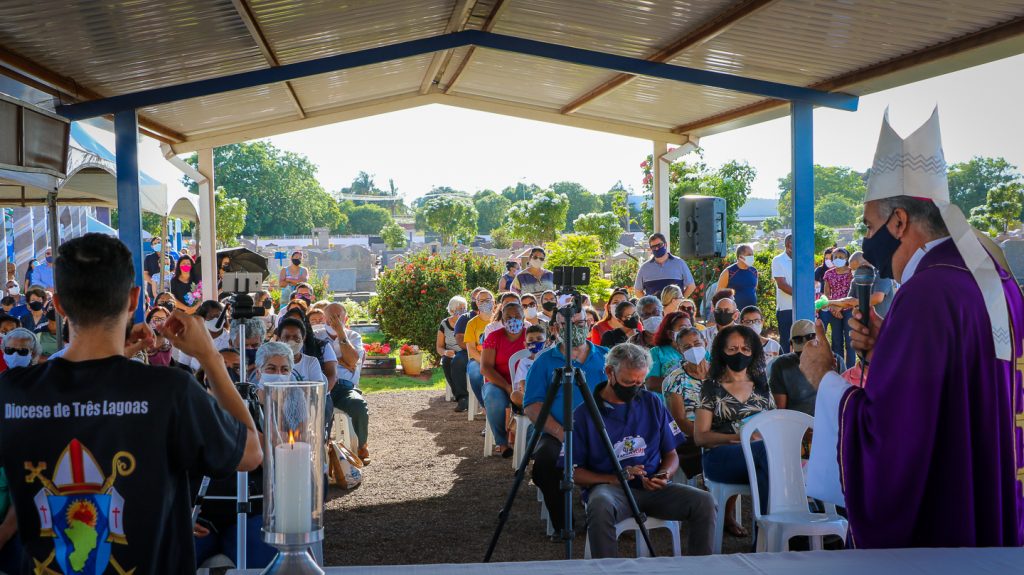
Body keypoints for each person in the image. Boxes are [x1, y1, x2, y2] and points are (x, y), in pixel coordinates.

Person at [801, 109, 1024, 548]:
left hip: (946, 510)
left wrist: (824, 378)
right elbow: (957, 385)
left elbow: (893, 434)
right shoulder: (992, 278)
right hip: (991, 490)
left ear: (899, 222)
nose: (866, 241)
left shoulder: (926, 294)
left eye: (869, 226)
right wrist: (888, 343)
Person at [0, 233, 261, 574]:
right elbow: (251, 452)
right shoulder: (171, 391)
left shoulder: (13, 393)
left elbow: (77, 384)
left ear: (59, 305)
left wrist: (114, 359)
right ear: (133, 298)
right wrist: (210, 357)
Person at [570, 343, 715, 558]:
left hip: (653, 488)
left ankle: (700, 567)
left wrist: (663, 475)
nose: (635, 388)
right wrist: (615, 478)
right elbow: (573, 472)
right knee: (599, 505)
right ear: (610, 372)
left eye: (640, 382)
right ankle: (606, 569)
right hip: (610, 491)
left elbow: (671, 454)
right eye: (628, 382)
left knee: (704, 501)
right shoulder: (584, 414)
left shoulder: (651, 403)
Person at [524, 305, 609, 531]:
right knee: (544, 464)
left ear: (589, 324)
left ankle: (615, 515)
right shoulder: (544, 361)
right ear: (555, 328)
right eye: (567, 325)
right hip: (557, 433)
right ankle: (564, 525)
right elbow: (532, 406)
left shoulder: (607, 356)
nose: (575, 329)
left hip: (603, 432)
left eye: (580, 324)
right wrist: (562, 435)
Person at [695, 324, 773, 525]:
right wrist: (738, 438)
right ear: (722, 352)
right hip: (721, 458)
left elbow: (775, 424)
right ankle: (774, 528)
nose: (740, 354)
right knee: (769, 455)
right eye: (733, 349)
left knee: (769, 466)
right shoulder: (711, 387)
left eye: (745, 349)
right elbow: (700, 437)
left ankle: (767, 535)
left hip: (758, 458)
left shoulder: (763, 386)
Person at [320, 304, 370, 463]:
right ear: (324, 318)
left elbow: (352, 360)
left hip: (344, 387)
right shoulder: (317, 335)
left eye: (338, 317)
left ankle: (362, 445)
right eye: (330, 318)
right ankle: (321, 446)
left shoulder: (353, 336)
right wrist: (340, 361)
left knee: (358, 405)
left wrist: (341, 332)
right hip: (323, 385)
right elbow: (318, 361)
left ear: (345, 319)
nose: (333, 321)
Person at [768, 319, 844, 415]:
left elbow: (842, 402)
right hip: (797, 424)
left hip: (830, 421)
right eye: (801, 353)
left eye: (811, 351)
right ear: (791, 346)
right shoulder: (780, 366)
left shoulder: (835, 361)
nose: (806, 357)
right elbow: (781, 411)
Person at [480, 301, 527, 457]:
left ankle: (531, 443)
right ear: (502, 319)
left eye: (517, 316)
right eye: (508, 317)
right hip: (498, 383)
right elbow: (485, 368)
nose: (513, 320)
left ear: (523, 317)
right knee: (493, 398)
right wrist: (507, 386)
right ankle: (502, 442)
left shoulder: (532, 336)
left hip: (525, 384)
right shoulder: (494, 336)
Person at [661, 328, 709, 479]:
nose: (694, 349)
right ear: (679, 350)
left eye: (697, 343)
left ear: (705, 343)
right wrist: (707, 437)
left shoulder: (720, 373)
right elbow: (680, 420)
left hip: (720, 434)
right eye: (687, 347)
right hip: (690, 440)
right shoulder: (675, 380)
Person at [633, 233, 696, 298]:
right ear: (651, 249)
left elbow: (691, 286)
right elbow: (638, 291)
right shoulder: (644, 268)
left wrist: (680, 301)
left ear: (665, 245)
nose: (657, 249)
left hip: (675, 307)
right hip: (654, 308)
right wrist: (647, 304)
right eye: (653, 247)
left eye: (659, 245)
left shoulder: (679, 263)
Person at [645, 311, 693, 395]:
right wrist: (685, 387)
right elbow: (651, 383)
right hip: (666, 404)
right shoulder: (657, 352)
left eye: (690, 327)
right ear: (670, 334)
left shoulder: (699, 351)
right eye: (683, 328)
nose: (688, 332)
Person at [822, 246, 855, 367]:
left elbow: (853, 292)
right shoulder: (828, 274)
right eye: (835, 257)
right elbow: (826, 293)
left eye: (841, 257)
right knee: (836, 341)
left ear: (847, 258)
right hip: (833, 310)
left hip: (849, 309)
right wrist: (832, 307)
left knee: (850, 342)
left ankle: (851, 370)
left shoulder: (852, 273)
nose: (838, 259)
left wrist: (841, 307)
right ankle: (840, 369)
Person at [462, 289, 494, 408]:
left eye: (488, 300)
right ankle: (485, 406)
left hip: (498, 357)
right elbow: (471, 349)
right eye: (481, 301)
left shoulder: (500, 320)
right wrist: (485, 362)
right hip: (478, 359)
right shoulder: (472, 324)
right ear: (477, 303)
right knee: (476, 372)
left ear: (493, 302)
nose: (485, 303)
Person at [438, 296, 468, 411]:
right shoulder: (444, 324)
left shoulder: (467, 321)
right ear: (451, 310)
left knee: (458, 361)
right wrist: (445, 352)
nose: (463, 312)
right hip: (451, 353)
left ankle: (463, 398)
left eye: (464, 309)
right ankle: (461, 397)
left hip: (464, 352)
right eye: (459, 309)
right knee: (446, 361)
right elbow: (439, 347)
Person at [511, 324, 546, 409]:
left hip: (547, 396)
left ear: (546, 342)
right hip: (529, 396)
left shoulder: (549, 360)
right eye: (531, 340)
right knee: (515, 395)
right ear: (525, 344)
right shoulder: (523, 362)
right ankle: (538, 409)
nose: (535, 342)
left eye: (539, 339)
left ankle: (541, 409)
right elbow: (522, 384)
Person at [717, 244, 758, 311]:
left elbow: (754, 290)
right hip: (733, 314)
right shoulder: (729, 272)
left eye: (752, 254)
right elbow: (718, 294)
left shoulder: (754, 271)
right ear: (740, 257)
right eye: (749, 255)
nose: (752, 257)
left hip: (750, 313)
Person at [771, 234, 794, 352]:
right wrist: (801, 296)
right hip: (785, 309)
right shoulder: (778, 260)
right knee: (786, 343)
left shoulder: (802, 260)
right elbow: (782, 284)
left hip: (802, 308)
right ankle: (785, 368)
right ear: (788, 245)